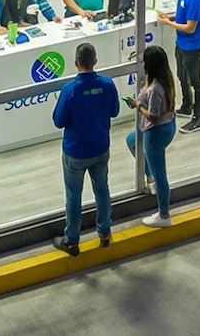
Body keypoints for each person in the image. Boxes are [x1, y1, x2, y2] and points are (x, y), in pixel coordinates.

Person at [50, 42, 120, 255]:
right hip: (100, 148)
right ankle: (105, 232)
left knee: (73, 195)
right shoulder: (108, 85)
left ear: (76, 63)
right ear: (95, 62)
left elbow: (58, 121)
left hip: (75, 152)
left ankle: (72, 240)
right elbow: (115, 111)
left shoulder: (69, 90)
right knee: (102, 189)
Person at [125, 44, 177, 227]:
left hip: (156, 132)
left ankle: (164, 215)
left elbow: (153, 117)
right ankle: (150, 177)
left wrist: (137, 105)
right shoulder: (164, 80)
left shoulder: (155, 88)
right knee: (131, 140)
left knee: (161, 174)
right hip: (167, 125)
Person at [159, 0, 200, 135]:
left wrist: (168, 24)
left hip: (193, 47)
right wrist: (170, 18)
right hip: (181, 44)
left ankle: (198, 118)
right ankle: (187, 106)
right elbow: (183, 17)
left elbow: (190, 27)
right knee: (181, 75)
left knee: (196, 82)